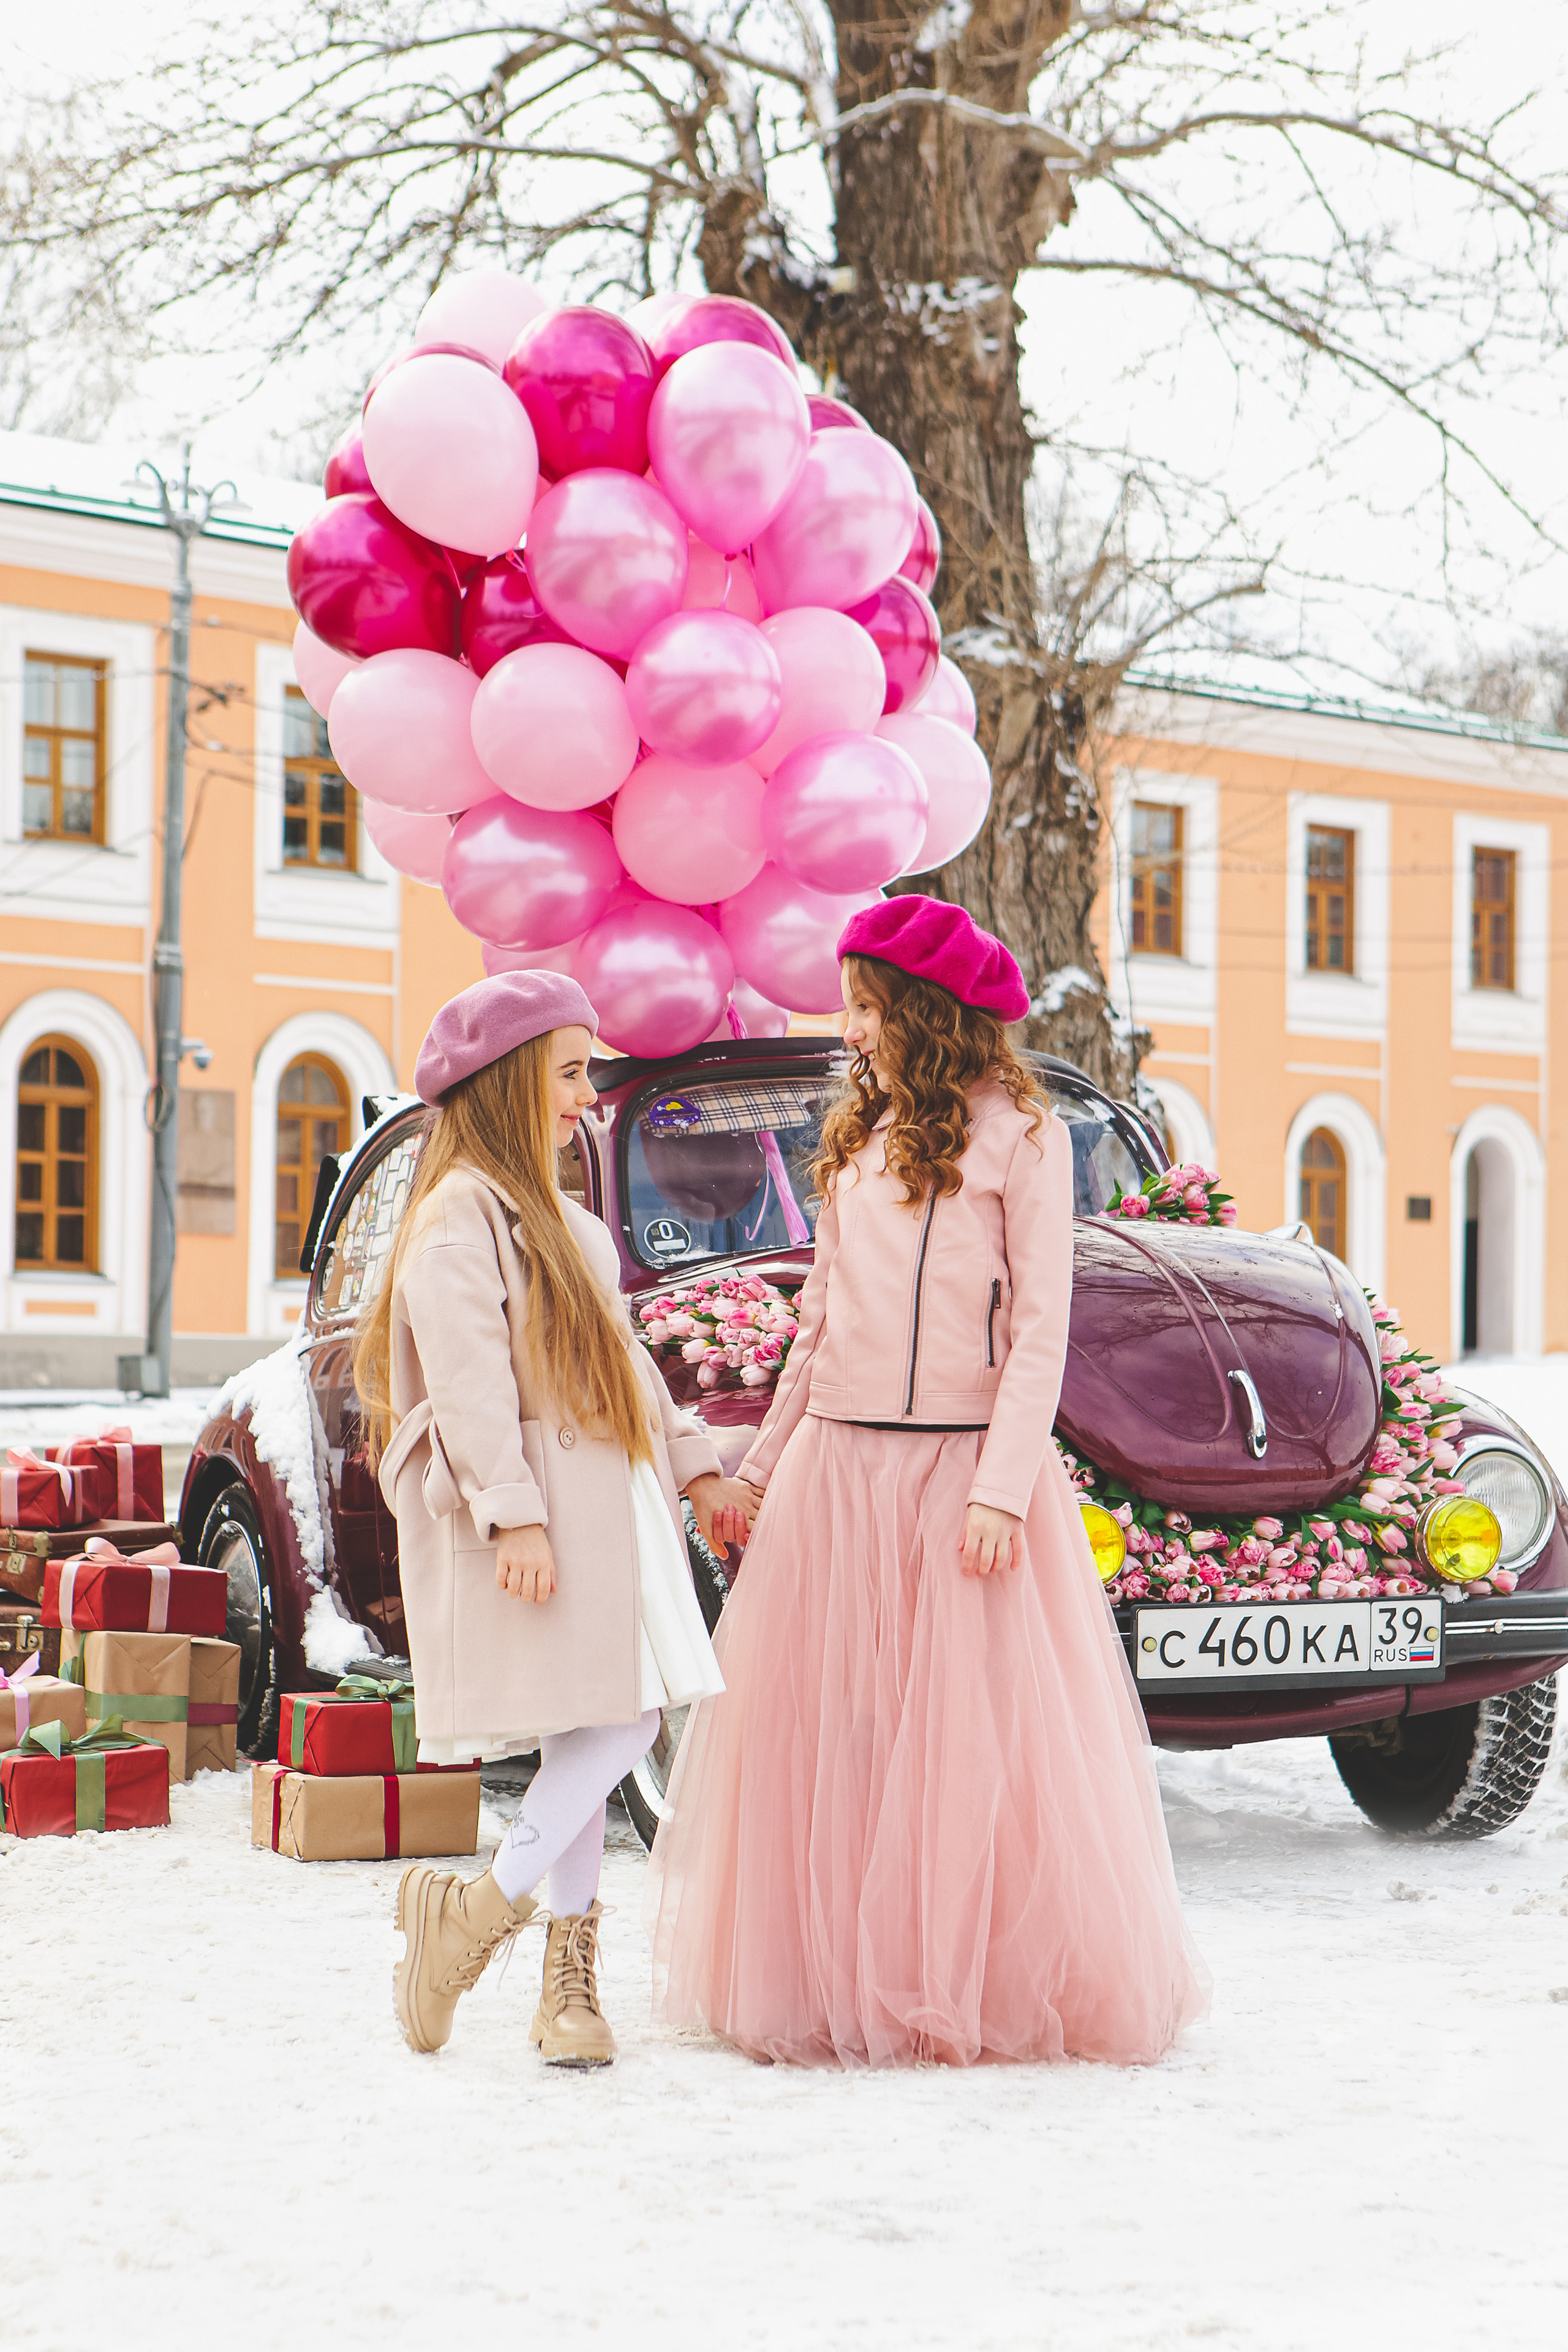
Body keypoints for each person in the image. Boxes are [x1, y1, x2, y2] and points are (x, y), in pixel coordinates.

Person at [645, 896, 1210, 2067]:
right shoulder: (856, 1135)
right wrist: (768, 1461)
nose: (848, 1028)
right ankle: (827, 1975)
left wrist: (1005, 1488)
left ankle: (963, 1977)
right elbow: (819, 1323)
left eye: (864, 1006)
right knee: (833, 1735)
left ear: (923, 1009)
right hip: (842, 1469)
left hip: (965, 1477)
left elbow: (1042, 1329)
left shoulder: (1024, 1137)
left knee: (965, 1738)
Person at [353, 971, 753, 2062]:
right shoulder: (458, 1217)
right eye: (570, 1071)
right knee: (622, 1722)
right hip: (545, 1511)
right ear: (507, 1080)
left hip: (608, 1502)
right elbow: (470, 1379)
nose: (587, 1094)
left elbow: (625, 1365)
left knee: (600, 1722)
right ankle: (480, 1913)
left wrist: (693, 1466)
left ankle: (566, 1987)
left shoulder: (571, 1225)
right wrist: (512, 1516)